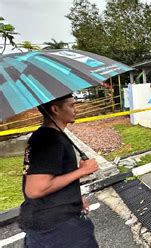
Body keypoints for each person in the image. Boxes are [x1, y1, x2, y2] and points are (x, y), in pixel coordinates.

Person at [18, 94, 99, 248]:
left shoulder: (52, 136)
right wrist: (82, 171)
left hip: (54, 221)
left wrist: (74, 197)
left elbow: (54, 175)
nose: (75, 110)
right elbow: (35, 189)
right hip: (57, 228)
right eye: (71, 106)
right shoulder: (49, 140)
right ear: (55, 109)